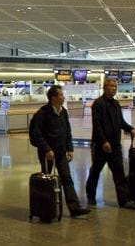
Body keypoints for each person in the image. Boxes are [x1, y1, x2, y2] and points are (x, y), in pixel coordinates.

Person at [30, 85, 90, 218]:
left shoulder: (63, 112)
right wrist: (46, 149)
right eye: (61, 95)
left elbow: (67, 131)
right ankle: (45, 207)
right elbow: (37, 134)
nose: (63, 97)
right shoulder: (42, 113)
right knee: (46, 179)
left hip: (61, 152)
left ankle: (74, 208)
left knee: (67, 178)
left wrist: (70, 148)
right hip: (47, 154)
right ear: (53, 98)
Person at [85, 79, 135, 209]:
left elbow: (121, 122)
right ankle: (90, 194)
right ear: (104, 88)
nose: (114, 88)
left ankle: (124, 200)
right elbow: (97, 125)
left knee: (119, 172)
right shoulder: (98, 104)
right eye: (111, 86)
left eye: (115, 86)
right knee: (95, 171)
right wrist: (103, 141)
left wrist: (131, 129)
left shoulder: (116, 104)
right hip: (101, 145)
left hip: (114, 144)